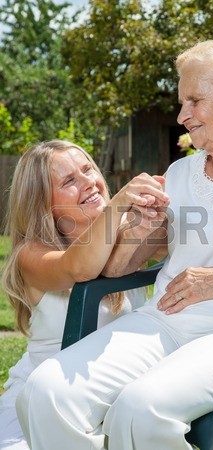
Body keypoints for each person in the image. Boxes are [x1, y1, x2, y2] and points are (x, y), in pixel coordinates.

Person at [16, 40, 213, 450]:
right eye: (182, 102)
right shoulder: (180, 172)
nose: (182, 115)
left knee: (142, 408)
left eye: (194, 100)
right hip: (165, 321)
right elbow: (115, 270)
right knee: (47, 393)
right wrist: (138, 226)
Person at [0, 140, 169, 450]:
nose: (88, 182)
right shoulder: (32, 255)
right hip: (43, 406)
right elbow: (79, 268)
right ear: (44, 204)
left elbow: (182, 245)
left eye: (88, 169)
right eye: (68, 181)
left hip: (117, 392)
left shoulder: (128, 231)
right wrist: (118, 205)